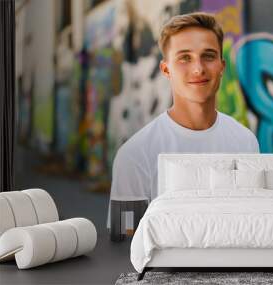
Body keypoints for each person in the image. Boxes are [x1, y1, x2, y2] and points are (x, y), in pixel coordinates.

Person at [109, 12, 259, 234]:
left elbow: (253, 226)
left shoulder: (245, 141)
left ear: (222, 66)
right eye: (185, 58)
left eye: (208, 56)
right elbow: (124, 245)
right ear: (166, 69)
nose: (198, 69)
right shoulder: (134, 154)